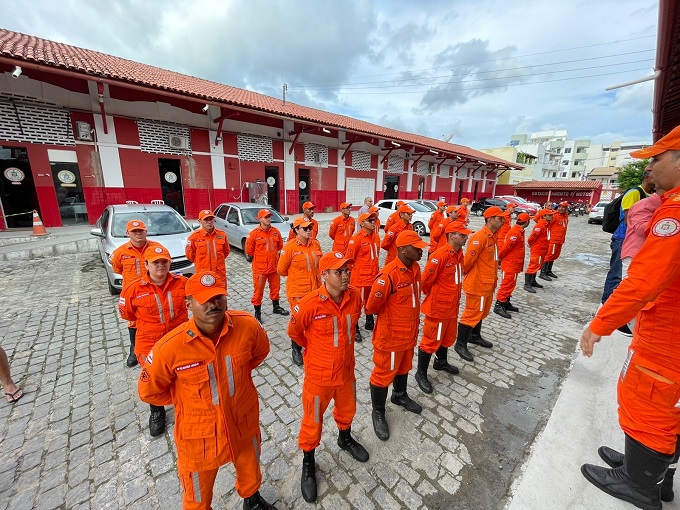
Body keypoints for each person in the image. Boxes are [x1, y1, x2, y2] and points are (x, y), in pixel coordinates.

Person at [579, 126, 680, 510]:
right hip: (668, 327)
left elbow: (642, 283)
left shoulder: (675, 213)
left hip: (669, 334)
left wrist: (599, 325)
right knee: (663, 407)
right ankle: (649, 473)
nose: (650, 168)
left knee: (651, 404)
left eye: (657, 158)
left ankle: (640, 484)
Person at [138, 271, 276, 510]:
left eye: (219, 297)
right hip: (198, 435)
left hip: (243, 421)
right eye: (205, 299)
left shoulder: (247, 326)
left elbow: (260, 353)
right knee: (197, 498)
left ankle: (252, 501)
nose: (214, 304)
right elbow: (149, 391)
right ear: (189, 304)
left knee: (250, 471)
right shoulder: (169, 348)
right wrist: (186, 400)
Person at [289, 252, 368, 503]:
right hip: (319, 376)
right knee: (312, 421)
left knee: (348, 409)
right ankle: (309, 462)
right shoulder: (309, 304)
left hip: (346, 371)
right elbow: (295, 332)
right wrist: (314, 350)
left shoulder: (355, 297)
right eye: (338, 272)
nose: (345, 275)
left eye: (347, 270)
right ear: (324, 275)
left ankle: (345, 439)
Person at [119, 245, 188, 436]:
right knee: (154, 379)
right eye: (156, 262)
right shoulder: (133, 290)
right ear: (146, 264)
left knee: (183, 373)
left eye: (164, 262)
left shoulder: (183, 283)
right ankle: (156, 412)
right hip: (150, 343)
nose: (161, 266)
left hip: (179, 339)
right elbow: (127, 314)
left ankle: (185, 403)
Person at [366, 230, 427, 441]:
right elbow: (372, 306)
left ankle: (400, 395)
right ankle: (378, 412)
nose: (421, 250)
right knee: (383, 375)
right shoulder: (388, 276)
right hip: (390, 337)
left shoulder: (416, 269)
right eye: (416, 247)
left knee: (404, 367)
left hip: (409, 334)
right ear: (402, 249)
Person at [415, 221, 472, 394]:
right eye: (462, 235)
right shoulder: (440, 255)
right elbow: (426, 282)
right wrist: (437, 297)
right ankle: (421, 373)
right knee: (430, 341)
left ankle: (441, 361)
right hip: (438, 307)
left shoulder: (458, 253)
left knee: (447, 337)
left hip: (451, 307)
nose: (465, 237)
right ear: (451, 235)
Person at [455, 206, 505, 362]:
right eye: (499, 218)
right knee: (471, 313)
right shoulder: (480, 237)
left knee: (481, 312)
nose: (503, 220)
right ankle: (460, 343)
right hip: (478, 284)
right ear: (490, 219)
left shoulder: (493, 236)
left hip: (488, 283)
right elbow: (468, 262)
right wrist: (475, 276)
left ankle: (475, 336)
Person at [110, 219, 162, 367]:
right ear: (127, 233)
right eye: (134, 231)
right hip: (133, 293)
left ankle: (159, 346)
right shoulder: (120, 252)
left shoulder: (156, 248)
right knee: (133, 321)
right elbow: (117, 269)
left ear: (146, 231)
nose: (138, 233)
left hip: (153, 290)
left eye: (141, 230)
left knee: (156, 317)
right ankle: (134, 349)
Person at [601, 170, 654, 307]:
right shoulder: (635, 193)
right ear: (648, 178)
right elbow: (629, 219)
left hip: (635, 241)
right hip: (623, 238)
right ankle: (606, 305)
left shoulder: (651, 195)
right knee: (616, 274)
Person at [277, 217, 323, 366]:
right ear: (296, 230)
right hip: (298, 291)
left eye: (310, 227)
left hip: (315, 289)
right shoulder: (289, 247)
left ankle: (312, 345)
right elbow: (281, 270)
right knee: (298, 322)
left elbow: (319, 266)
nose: (309, 230)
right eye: (305, 228)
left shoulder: (315, 244)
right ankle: (296, 348)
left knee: (314, 320)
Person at [244, 209, 288, 323]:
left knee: (276, 288)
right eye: (266, 217)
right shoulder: (254, 234)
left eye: (269, 216)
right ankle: (257, 313)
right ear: (260, 219)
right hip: (260, 269)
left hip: (274, 267)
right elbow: (249, 251)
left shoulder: (275, 231)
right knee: (258, 292)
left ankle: (276, 307)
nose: (268, 219)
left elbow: (279, 246)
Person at [345, 212, 381, 336]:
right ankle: (354, 327)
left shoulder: (376, 237)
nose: (373, 222)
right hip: (360, 279)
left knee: (370, 300)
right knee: (356, 304)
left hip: (374, 276)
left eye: (374, 220)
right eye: (370, 220)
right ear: (362, 224)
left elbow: (376, 257)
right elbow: (349, 260)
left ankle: (369, 320)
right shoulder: (356, 239)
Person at [495, 212, 531, 317]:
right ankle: (499, 305)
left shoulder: (519, 231)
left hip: (514, 263)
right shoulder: (515, 233)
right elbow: (506, 248)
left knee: (511, 284)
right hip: (510, 264)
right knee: (506, 284)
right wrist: (499, 259)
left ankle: (505, 302)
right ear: (527, 222)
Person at [185, 209, 230, 287]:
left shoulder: (222, 234)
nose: (209, 222)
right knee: (206, 297)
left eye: (211, 219)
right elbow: (190, 256)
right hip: (204, 274)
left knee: (221, 296)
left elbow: (226, 252)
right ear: (199, 221)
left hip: (219, 273)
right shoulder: (194, 237)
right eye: (206, 219)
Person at [523, 209, 554, 292]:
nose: (552, 216)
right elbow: (532, 237)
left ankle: (532, 281)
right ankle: (527, 284)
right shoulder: (540, 226)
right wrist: (530, 244)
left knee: (538, 266)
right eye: (549, 215)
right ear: (544, 216)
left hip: (542, 249)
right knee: (533, 265)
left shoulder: (546, 225)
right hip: (538, 249)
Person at [542, 201, 569, 279]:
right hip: (553, 240)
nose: (561, 208)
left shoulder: (566, 217)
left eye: (563, 207)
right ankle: (543, 272)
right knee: (549, 256)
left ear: (566, 208)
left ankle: (548, 271)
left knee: (555, 256)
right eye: (560, 207)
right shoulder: (554, 216)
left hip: (560, 240)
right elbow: (546, 224)